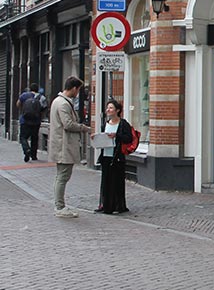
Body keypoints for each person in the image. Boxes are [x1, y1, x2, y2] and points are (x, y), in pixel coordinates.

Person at [48, 76, 92, 218]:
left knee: (61, 176)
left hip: (60, 144)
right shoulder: (63, 104)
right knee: (63, 176)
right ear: (73, 88)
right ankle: (59, 207)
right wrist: (84, 128)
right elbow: (68, 124)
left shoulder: (58, 101)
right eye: (78, 89)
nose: (78, 92)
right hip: (64, 145)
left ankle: (59, 205)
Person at [95, 99, 133, 214]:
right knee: (106, 181)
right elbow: (103, 138)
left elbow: (129, 138)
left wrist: (117, 135)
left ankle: (118, 205)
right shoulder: (105, 124)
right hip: (106, 156)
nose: (108, 110)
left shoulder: (123, 123)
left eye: (111, 108)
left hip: (117, 157)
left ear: (117, 110)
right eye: (107, 108)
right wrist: (96, 138)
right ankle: (106, 205)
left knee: (117, 182)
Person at [17, 83, 42, 162]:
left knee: (23, 137)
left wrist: (23, 109)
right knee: (34, 138)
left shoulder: (24, 95)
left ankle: (27, 150)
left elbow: (18, 104)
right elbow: (44, 107)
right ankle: (34, 156)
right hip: (36, 121)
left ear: (30, 89)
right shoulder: (40, 96)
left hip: (25, 120)